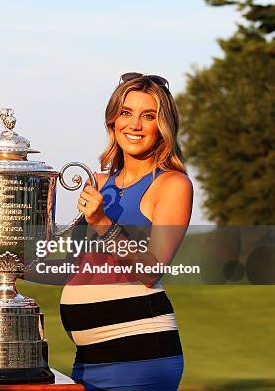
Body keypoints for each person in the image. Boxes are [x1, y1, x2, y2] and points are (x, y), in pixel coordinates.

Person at [59, 73, 193, 391]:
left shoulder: (172, 184)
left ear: (164, 126)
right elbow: (75, 268)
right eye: (126, 112)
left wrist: (103, 223)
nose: (134, 125)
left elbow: (150, 270)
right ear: (112, 121)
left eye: (148, 116)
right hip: (88, 358)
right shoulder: (99, 182)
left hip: (140, 357)